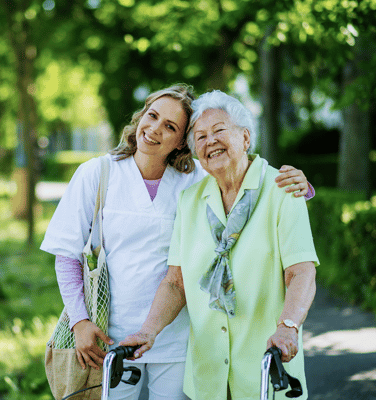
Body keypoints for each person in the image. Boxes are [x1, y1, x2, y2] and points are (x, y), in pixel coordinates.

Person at [40, 84, 314, 400]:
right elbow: (68, 253)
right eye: (152, 116)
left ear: (181, 142)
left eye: (170, 126)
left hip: (180, 339)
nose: (155, 129)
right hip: (114, 336)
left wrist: (301, 187)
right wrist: (79, 321)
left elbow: (245, 176)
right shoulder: (102, 174)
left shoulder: (194, 178)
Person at [119, 90, 318, 400]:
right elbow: (176, 282)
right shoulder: (191, 201)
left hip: (266, 369)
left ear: (246, 137)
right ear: (195, 151)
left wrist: (288, 325)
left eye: (219, 130)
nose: (209, 140)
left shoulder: (282, 189)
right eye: (200, 136)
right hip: (207, 379)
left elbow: (301, 272)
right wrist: (148, 331)